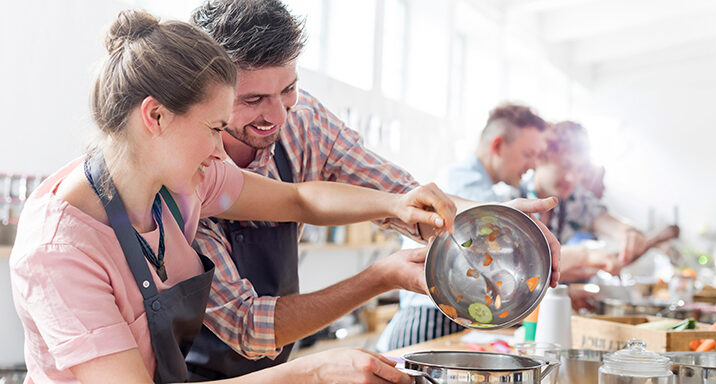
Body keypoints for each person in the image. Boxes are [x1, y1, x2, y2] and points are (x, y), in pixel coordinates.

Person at [9, 10, 459, 384]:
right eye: (213, 129)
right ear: (157, 116)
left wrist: (394, 204)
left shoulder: (182, 185)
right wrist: (312, 373)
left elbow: (300, 200)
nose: (220, 149)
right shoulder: (59, 254)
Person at [185, 0, 562, 380]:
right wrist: (379, 277)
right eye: (253, 100)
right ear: (207, 94)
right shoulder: (189, 174)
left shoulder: (304, 122)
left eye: (288, 89)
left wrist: (492, 218)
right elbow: (249, 328)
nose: (280, 115)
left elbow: (393, 194)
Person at [377, 103, 552, 350]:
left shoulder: (484, 185)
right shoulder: (464, 182)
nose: (533, 165)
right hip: (428, 319)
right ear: (498, 145)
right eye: (528, 154)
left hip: (449, 318)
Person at [521, 121, 677, 281]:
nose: (572, 178)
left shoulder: (575, 198)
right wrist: (584, 255)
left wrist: (628, 232)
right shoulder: (512, 196)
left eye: (579, 169)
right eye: (566, 166)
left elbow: (603, 219)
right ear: (540, 158)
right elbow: (524, 262)